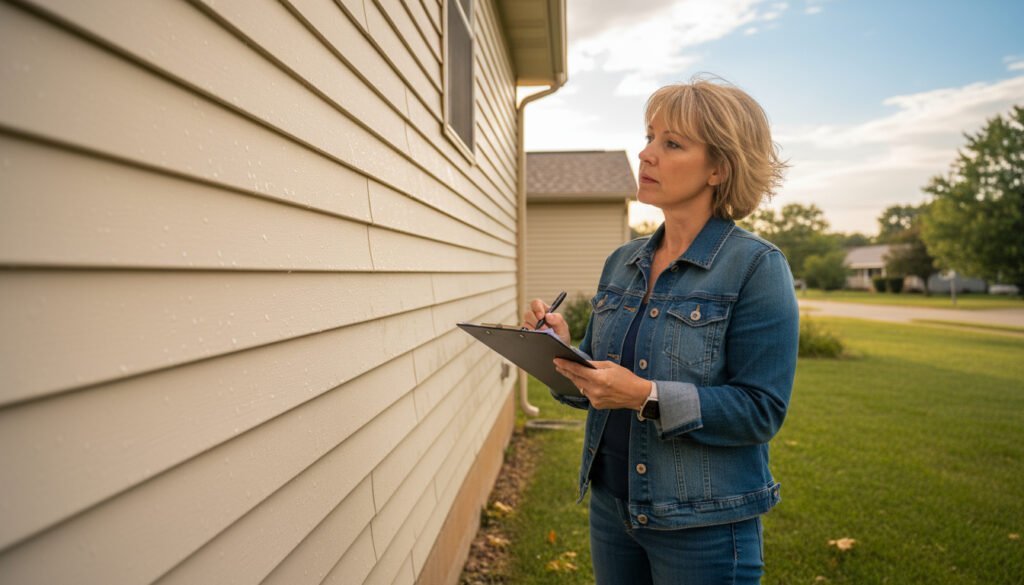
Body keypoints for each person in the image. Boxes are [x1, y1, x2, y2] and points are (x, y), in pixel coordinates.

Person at [522, 76, 799, 585]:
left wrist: (646, 396)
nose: (646, 154)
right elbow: (590, 392)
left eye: (671, 143)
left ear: (719, 167)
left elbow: (762, 410)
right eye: (649, 137)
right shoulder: (622, 262)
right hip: (612, 507)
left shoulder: (756, 267)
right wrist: (557, 350)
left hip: (704, 526)